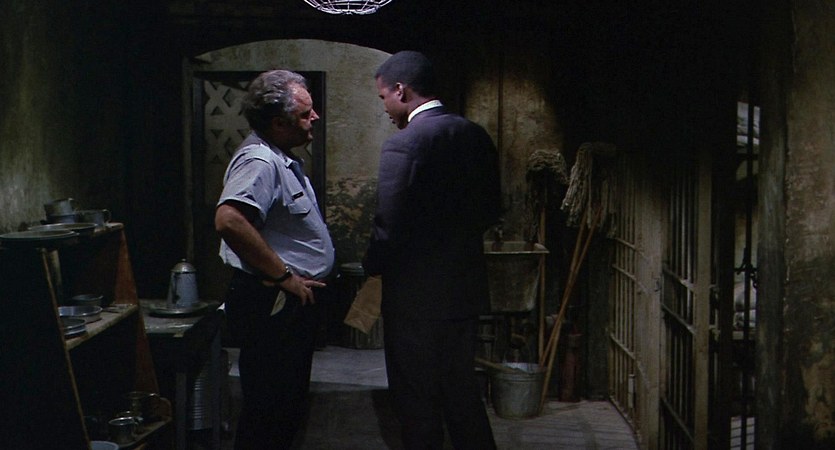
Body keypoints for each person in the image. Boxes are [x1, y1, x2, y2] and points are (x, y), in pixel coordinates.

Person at [364, 51, 502, 450]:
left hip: (415, 299)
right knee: (461, 393)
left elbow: (388, 226)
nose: (385, 108)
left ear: (401, 90)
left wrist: (373, 265)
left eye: (383, 97)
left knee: (417, 401)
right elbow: (491, 209)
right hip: (463, 291)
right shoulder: (475, 135)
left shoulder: (404, 144)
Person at [215, 69, 334, 449]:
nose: (315, 117)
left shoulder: (280, 157)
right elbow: (229, 220)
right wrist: (284, 276)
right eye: (305, 114)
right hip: (273, 302)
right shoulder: (261, 162)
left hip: (287, 303)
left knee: (284, 407)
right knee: (269, 409)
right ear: (279, 123)